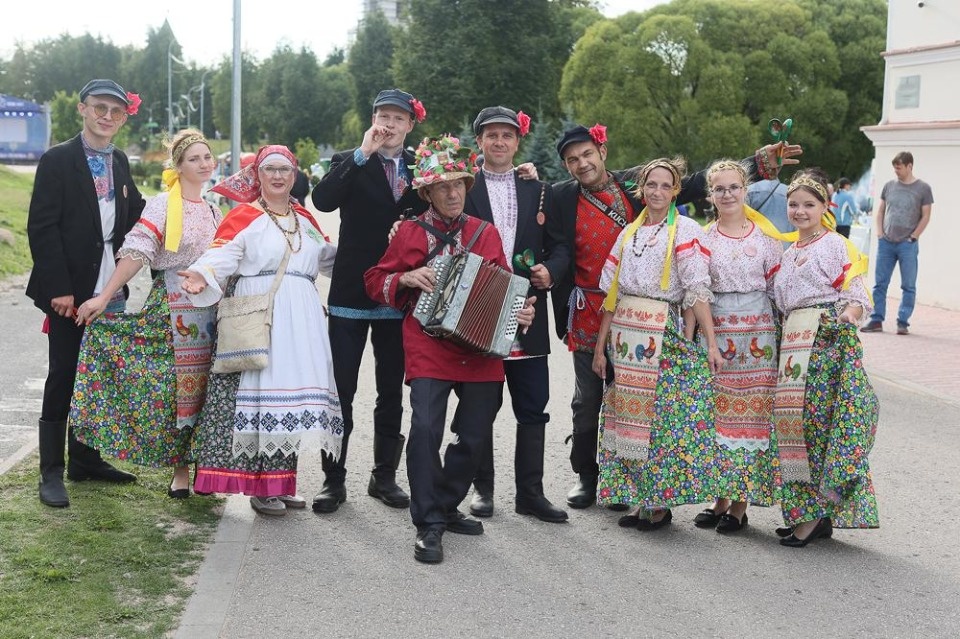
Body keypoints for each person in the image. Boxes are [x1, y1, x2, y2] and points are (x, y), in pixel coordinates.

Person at [549, 123, 800, 510]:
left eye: (587, 154)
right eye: (572, 160)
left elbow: (699, 181)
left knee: (643, 409)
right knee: (589, 403)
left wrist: (758, 162)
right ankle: (587, 475)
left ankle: (635, 489)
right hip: (593, 313)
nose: (582, 164)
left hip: (652, 318)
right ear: (565, 166)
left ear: (602, 151)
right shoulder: (561, 197)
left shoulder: (635, 186)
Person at [364, 135, 535, 564]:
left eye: (459, 183)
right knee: (425, 430)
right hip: (428, 344)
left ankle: (445, 501)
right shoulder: (409, 232)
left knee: (474, 434)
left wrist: (520, 313)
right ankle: (429, 523)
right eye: (443, 186)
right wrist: (405, 279)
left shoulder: (486, 233)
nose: (453, 192)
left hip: (480, 351)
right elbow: (374, 279)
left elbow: (504, 290)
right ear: (427, 192)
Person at [179, 145, 343, 517]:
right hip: (263, 316)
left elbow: (331, 260)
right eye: (269, 169)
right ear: (258, 175)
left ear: (295, 174)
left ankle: (283, 484)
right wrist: (202, 273)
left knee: (290, 399)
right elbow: (222, 254)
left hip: (301, 318)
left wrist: (370, 252)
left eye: (285, 169)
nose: (278, 176)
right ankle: (261, 488)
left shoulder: (305, 220)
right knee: (265, 397)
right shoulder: (245, 217)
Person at [70, 129, 221, 498]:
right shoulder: (162, 204)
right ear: (179, 166)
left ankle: (206, 467)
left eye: (207, 157)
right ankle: (180, 470)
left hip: (212, 311)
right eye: (194, 159)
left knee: (208, 387)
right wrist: (105, 296)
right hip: (172, 305)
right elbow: (138, 251)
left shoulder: (215, 209)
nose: (203, 164)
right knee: (174, 389)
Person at [26, 78, 145, 508]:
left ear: (123, 117)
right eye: (99, 108)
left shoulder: (120, 160)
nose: (107, 117)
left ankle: (86, 460)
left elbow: (135, 218)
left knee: (98, 377)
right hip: (69, 292)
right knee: (64, 375)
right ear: (82, 109)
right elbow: (42, 226)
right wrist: (58, 287)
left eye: (115, 111)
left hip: (110, 289)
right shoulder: (57, 160)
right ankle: (51, 472)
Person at [310, 88, 428, 513]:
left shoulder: (424, 166)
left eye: (398, 118)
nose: (389, 124)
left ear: (410, 125)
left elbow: (455, 202)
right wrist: (362, 153)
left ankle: (384, 476)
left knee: (390, 391)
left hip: (400, 291)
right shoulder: (351, 158)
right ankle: (333, 479)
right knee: (340, 389)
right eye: (382, 115)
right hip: (351, 291)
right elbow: (322, 200)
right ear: (373, 119)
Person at [591, 157, 721, 530]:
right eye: (652, 185)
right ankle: (638, 499)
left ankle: (660, 505)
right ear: (642, 188)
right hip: (626, 336)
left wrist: (710, 343)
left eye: (666, 186)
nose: (658, 192)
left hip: (661, 332)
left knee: (660, 422)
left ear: (676, 190)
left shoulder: (684, 230)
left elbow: (696, 291)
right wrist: (600, 348)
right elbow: (611, 295)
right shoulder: (628, 233)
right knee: (628, 419)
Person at [462, 106, 567, 524]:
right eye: (492, 135)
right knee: (480, 405)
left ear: (517, 141)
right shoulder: (464, 187)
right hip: (481, 308)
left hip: (528, 309)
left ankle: (531, 493)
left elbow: (559, 245)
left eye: (507, 135)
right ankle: (482, 489)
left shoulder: (537, 190)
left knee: (532, 405)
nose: (500, 142)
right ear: (480, 142)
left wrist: (551, 270)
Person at [772, 168, 879, 547]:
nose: (800, 211)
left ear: (824, 207)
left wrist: (846, 317)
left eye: (808, 204)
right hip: (792, 348)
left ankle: (816, 515)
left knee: (816, 431)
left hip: (823, 345)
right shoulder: (790, 251)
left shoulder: (834, 245)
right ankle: (806, 513)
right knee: (793, 430)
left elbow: (856, 294)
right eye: (794, 204)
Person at [692, 160, 784, 533]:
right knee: (720, 416)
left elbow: (779, 293)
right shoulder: (703, 239)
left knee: (751, 418)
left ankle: (740, 504)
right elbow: (697, 293)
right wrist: (706, 341)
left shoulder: (766, 240)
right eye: (719, 188)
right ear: (710, 195)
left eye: (734, 187)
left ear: (745, 190)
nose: (727, 194)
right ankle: (719, 498)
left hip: (758, 334)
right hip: (719, 332)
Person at [861, 151, 933, 335]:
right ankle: (876, 320)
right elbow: (880, 211)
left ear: (910, 166)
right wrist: (879, 233)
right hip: (886, 243)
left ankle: (903, 321)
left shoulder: (923, 188)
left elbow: (926, 216)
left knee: (908, 285)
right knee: (879, 283)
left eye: (899, 168)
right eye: (895, 168)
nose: (897, 172)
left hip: (907, 245)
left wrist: (914, 236)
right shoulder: (889, 186)